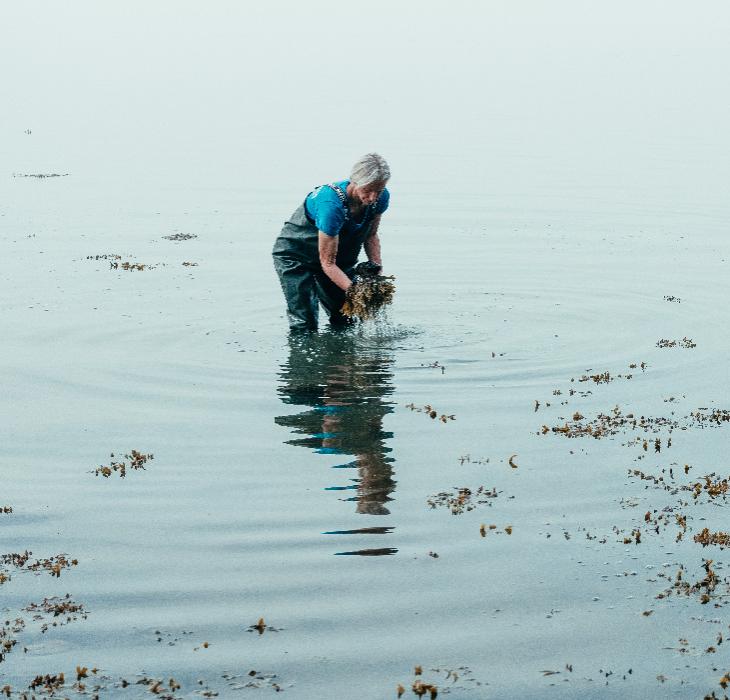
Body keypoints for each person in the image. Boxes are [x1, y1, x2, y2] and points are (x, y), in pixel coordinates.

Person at [272, 153, 391, 331]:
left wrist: (377, 270)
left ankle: (342, 358)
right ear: (355, 182)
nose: (373, 197)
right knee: (305, 322)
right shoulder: (331, 204)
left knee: (347, 317)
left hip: (338, 258)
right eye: (368, 190)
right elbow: (327, 263)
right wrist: (357, 292)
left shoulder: (380, 199)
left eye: (379, 190)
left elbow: (371, 235)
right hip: (297, 256)